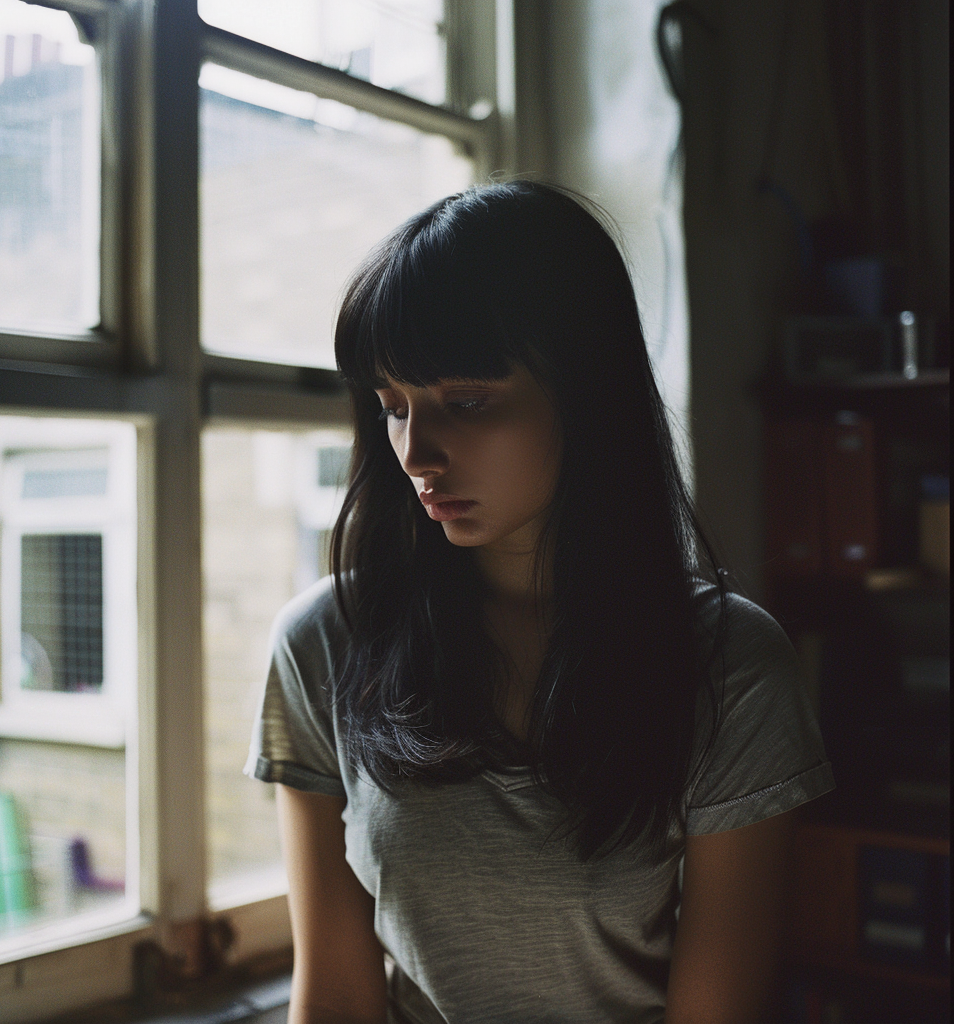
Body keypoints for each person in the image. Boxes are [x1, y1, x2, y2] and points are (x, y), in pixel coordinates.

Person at [245, 180, 834, 1024]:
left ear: (585, 391)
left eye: (467, 402)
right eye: (393, 408)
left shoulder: (730, 667)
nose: (416, 452)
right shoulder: (326, 644)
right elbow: (335, 997)